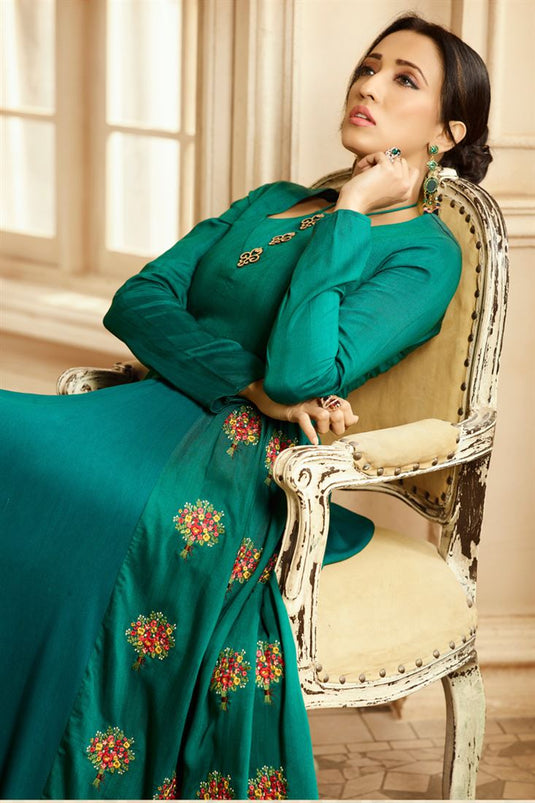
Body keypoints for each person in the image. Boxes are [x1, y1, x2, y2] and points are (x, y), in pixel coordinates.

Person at [0, 13, 492, 800]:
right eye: (367, 66)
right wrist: (243, 378)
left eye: (403, 79)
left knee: (105, 515)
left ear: (446, 131)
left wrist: (352, 208)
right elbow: (139, 300)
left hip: (240, 463)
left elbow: (299, 374)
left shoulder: (422, 252)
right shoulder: (271, 199)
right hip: (159, 406)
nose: (368, 84)